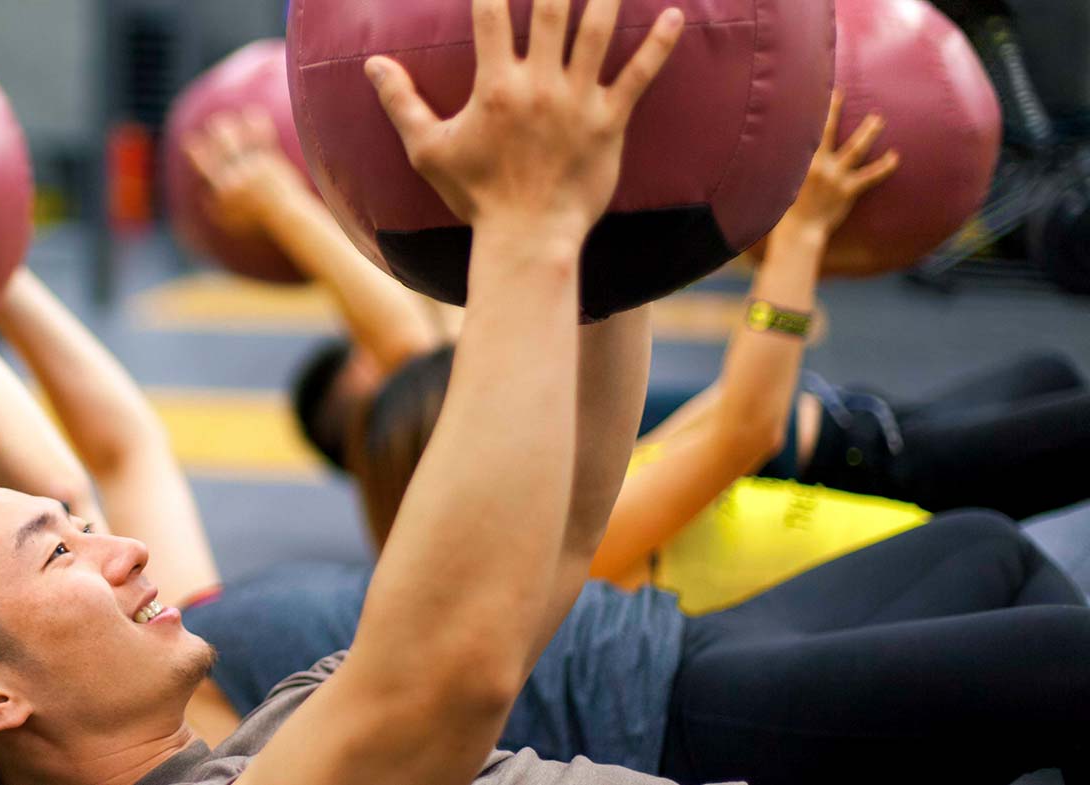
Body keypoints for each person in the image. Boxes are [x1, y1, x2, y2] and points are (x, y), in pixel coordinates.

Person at [0, 1, 691, 783]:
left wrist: (618, 233)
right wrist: (534, 215)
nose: (125, 544)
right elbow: (452, 676)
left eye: (78, 528)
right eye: (59, 548)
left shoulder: (281, 721)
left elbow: (561, 528)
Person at [177, 90, 1090, 784]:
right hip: (698, 680)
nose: (110, 552)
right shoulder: (462, 586)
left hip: (722, 599)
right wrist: (794, 238)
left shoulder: (247, 629)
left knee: (995, 542)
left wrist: (614, 199)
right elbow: (739, 427)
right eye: (57, 545)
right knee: (1047, 653)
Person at [197, 106, 1090, 522]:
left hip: (842, 410)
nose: (384, 346)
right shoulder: (454, 462)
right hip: (864, 462)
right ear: (362, 417)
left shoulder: (473, 426)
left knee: (1053, 381)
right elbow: (410, 340)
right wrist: (279, 200)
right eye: (364, 360)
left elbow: (418, 335)